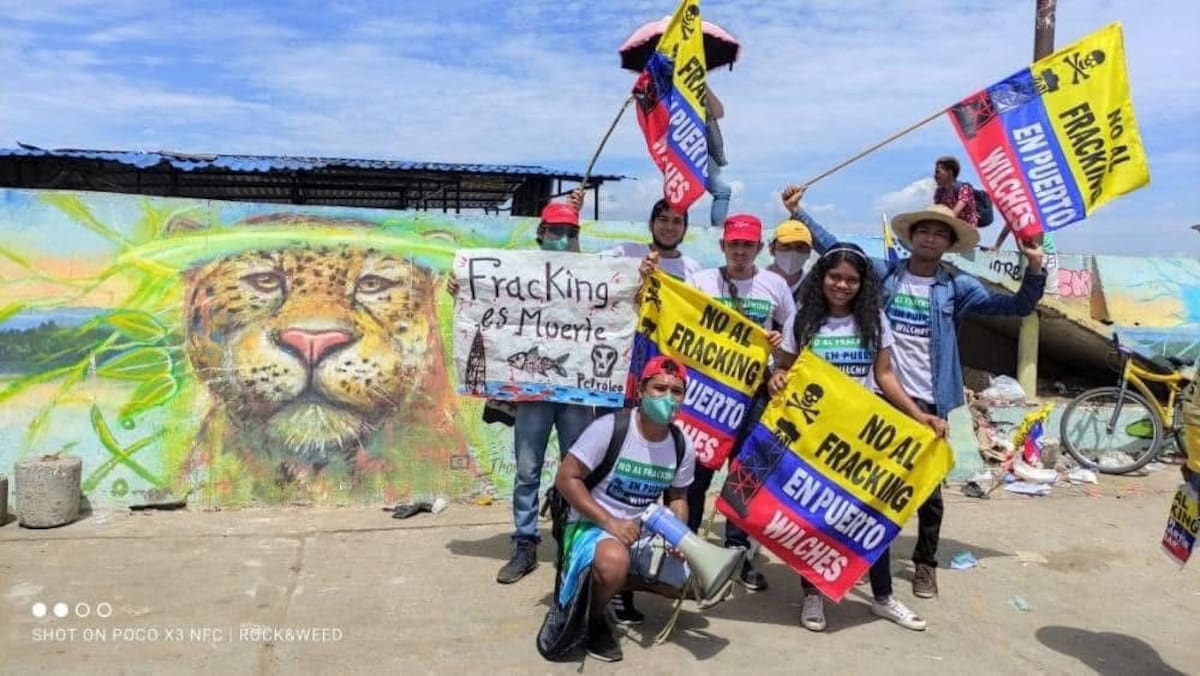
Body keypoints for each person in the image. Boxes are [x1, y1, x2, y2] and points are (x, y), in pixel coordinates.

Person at [782, 185, 1046, 600]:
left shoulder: (958, 286)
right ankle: (864, 559)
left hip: (928, 400)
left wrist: (1035, 266)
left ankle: (925, 564)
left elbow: (1015, 307)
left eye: (940, 233)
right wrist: (799, 213)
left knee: (927, 491)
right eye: (924, 230)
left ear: (949, 243)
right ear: (912, 236)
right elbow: (837, 252)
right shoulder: (885, 274)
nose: (930, 238)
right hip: (879, 396)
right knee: (866, 487)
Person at [769, 242, 947, 632]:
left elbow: (885, 376)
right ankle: (813, 594)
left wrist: (918, 415)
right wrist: (777, 377)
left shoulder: (875, 320)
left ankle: (883, 597)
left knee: (871, 518)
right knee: (815, 520)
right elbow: (784, 368)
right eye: (835, 277)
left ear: (863, 284)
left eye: (851, 280)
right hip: (813, 440)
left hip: (859, 442)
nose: (842, 285)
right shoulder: (801, 319)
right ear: (822, 278)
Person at [447, 194, 596, 585]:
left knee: (578, 469)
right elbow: (486, 301)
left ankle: (573, 540)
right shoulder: (518, 272)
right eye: (557, 231)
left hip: (576, 392)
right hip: (532, 394)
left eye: (570, 233)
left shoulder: (591, 274)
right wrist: (462, 289)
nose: (563, 239)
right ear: (541, 232)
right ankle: (525, 542)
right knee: (528, 469)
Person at [553, 356, 696, 663]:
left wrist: (679, 536)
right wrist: (610, 522)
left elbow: (678, 497)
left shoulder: (682, 444)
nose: (667, 398)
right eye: (659, 388)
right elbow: (566, 479)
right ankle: (594, 619)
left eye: (676, 391)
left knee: (695, 583)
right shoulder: (610, 428)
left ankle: (611, 583)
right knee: (613, 561)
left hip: (641, 532)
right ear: (641, 390)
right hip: (591, 525)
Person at [683, 213, 792, 592]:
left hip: (755, 395)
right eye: (734, 245)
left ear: (759, 248)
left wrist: (779, 353)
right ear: (722, 246)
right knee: (696, 475)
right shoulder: (700, 282)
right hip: (707, 394)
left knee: (744, 478)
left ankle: (738, 554)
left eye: (747, 245)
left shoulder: (775, 285)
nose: (740, 252)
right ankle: (690, 555)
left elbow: (793, 337)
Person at [604, 198, 701, 282]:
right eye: (663, 219)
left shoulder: (694, 271)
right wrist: (635, 272)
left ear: (685, 229)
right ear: (651, 224)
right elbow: (597, 266)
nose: (669, 227)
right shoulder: (626, 253)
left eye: (677, 222)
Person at [766, 219, 814, 301]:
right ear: (772, 249)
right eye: (786, 245)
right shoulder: (754, 282)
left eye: (800, 247)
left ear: (809, 252)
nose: (793, 252)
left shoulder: (814, 289)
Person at [705, 88, 733, 229]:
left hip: (701, 150)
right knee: (722, 190)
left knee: (723, 190)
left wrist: (702, 84)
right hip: (680, 148)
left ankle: (716, 233)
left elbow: (719, 112)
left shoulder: (695, 87)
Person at [933, 156, 979, 229]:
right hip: (952, 227)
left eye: (938, 172)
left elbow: (955, 212)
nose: (935, 176)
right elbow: (937, 210)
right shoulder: (939, 192)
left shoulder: (964, 188)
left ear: (950, 173)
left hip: (967, 229)